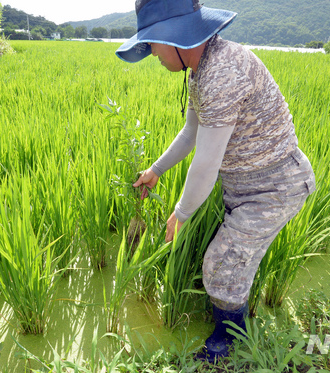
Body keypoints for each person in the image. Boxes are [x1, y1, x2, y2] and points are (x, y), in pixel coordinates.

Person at [116, 0, 316, 363]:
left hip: (273, 188)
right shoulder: (201, 69)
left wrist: (181, 213)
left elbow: (206, 163)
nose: (154, 55)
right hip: (243, 185)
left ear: (175, 37)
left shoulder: (222, 72)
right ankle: (232, 318)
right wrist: (157, 170)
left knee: (222, 262)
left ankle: (229, 340)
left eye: (154, 45)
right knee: (234, 259)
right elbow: (192, 131)